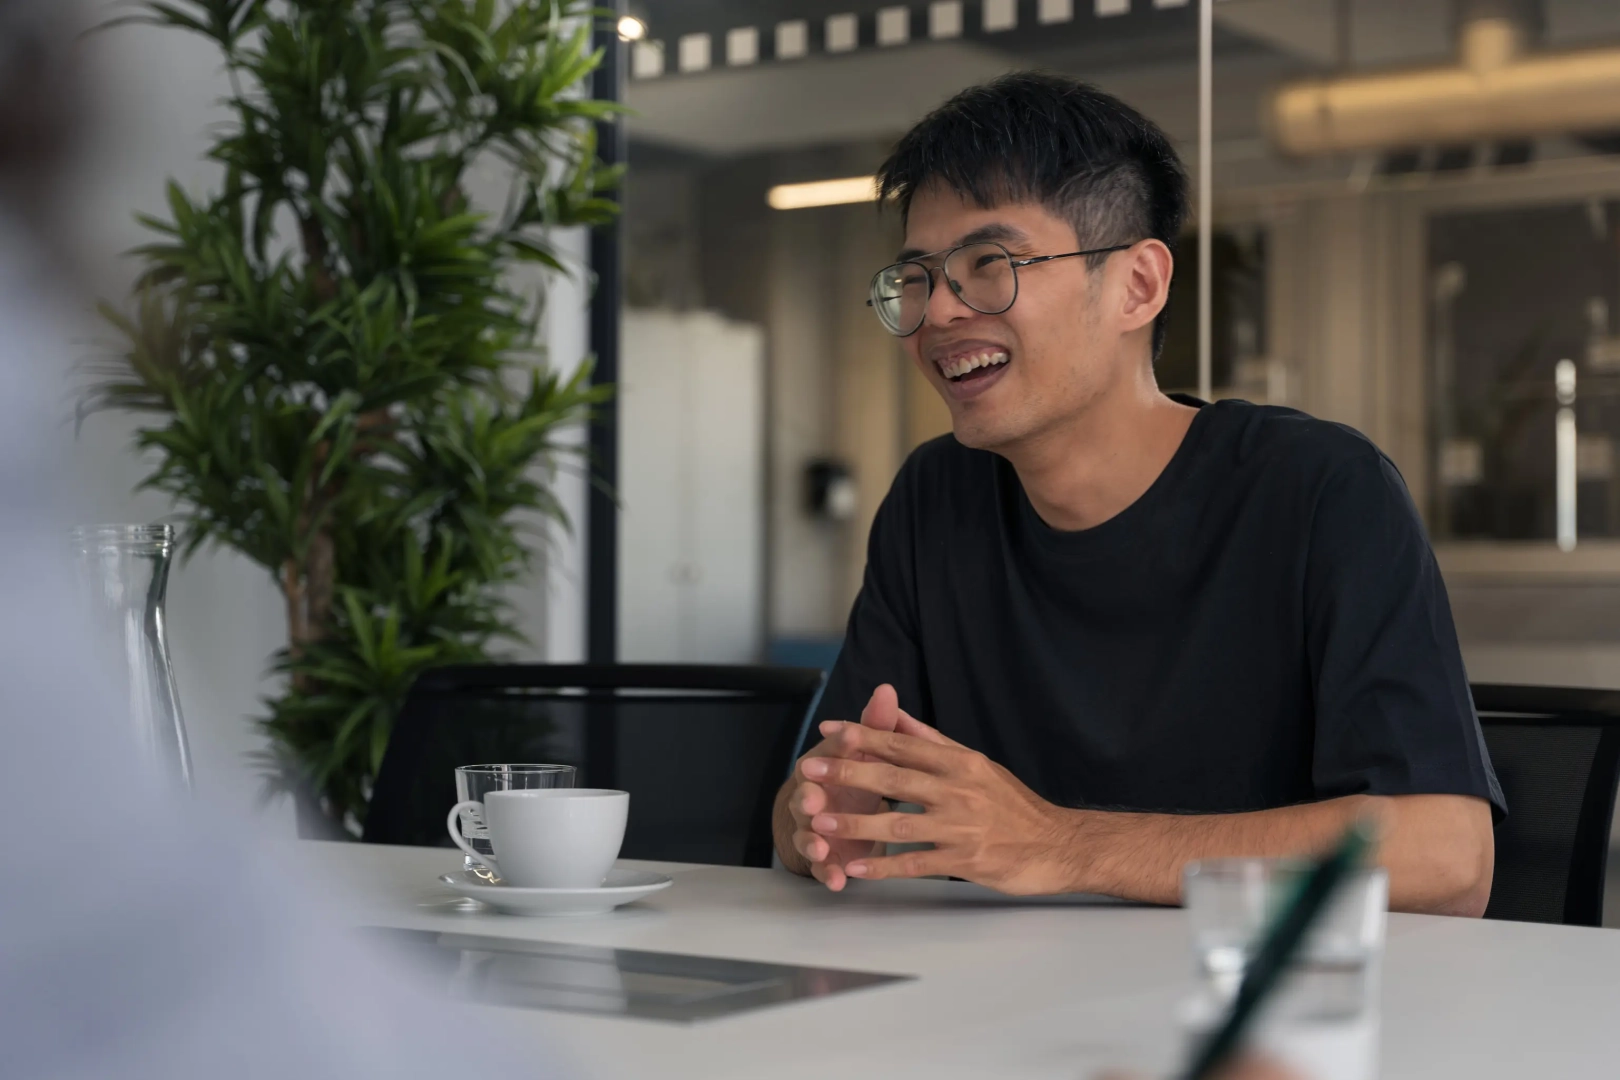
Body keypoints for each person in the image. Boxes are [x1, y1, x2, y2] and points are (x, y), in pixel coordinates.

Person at [773, 72, 1503, 916]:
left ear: (1139, 286)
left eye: (989, 265)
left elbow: (1447, 856)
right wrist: (818, 820)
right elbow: (812, 808)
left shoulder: (1320, 491)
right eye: (918, 279)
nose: (938, 312)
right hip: (996, 1011)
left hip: (1257, 1011)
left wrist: (1061, 844)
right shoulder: (935, 497)